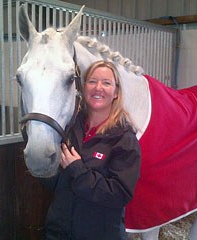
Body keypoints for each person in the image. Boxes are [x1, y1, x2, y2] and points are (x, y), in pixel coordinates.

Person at [41, 60, 141, 240]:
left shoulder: (124, 140)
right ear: (84, 87)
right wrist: (43, 166)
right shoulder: (69, 127)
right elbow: (58, 185)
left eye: (106, 83)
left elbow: (119, 194)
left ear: (116, 92)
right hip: (59, 232)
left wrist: (77, 169)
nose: (98, 87)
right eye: (92, 81)